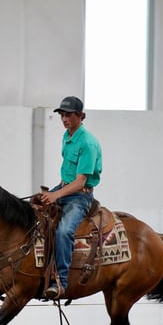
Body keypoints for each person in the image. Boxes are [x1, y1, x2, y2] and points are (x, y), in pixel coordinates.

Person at [39, 96, 103, 299]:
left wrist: (55, 194)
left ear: (81, 116)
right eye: (62, 115)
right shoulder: (67, 136)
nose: (64, 119)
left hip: (80, 196)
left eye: (69, 115)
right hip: (65, 188)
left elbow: (81, 181)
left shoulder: (88, 143)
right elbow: (68, 174)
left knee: (64, 231)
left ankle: (61, 281)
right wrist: (54, 193)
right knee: (34, 212)